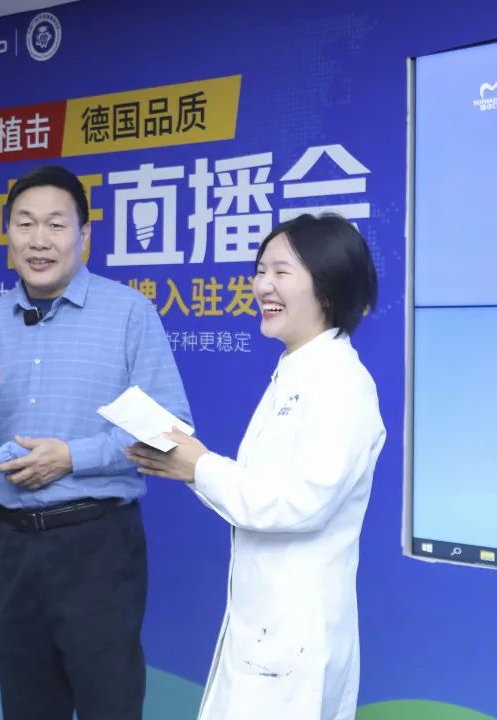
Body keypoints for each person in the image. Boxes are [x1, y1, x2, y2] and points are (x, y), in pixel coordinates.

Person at [0, 165, 191, 720]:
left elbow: (168, 429)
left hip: (97, 542)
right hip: (12, 544)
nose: (38, 240)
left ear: (84, 235)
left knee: (108, 703)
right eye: (25, 224)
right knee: (27, 705)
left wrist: (73, 457)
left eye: (55, 224)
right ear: (7, 235)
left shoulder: (128, 314)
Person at [127, 213, 386, 720]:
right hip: (266, 628)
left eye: (281, 272)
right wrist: (188, 463)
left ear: (328, 286)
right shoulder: (296, 370)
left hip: (294, 638)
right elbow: (259, 489)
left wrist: (200, 466)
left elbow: (300, 502)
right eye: (261, 270)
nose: (263, 285)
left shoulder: (342, 385)